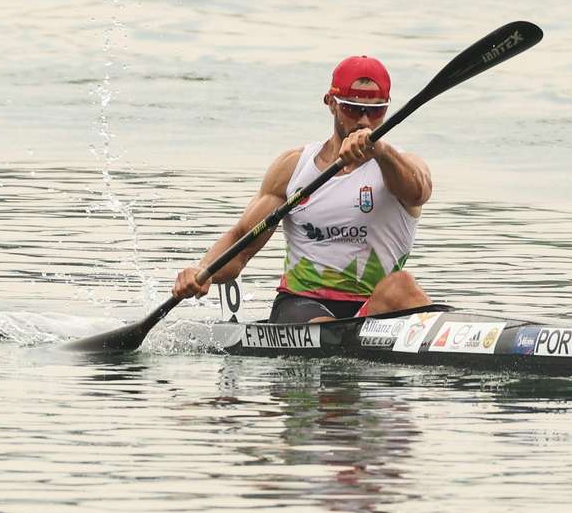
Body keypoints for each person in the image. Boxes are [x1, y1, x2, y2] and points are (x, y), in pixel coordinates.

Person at [172, 55, 433, 323]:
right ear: (331, 103)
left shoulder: (401, 165)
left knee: (402, 285)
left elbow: (419, 192)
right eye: (353, 109)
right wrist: (203, 272)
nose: (365, 121)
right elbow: (241, 243)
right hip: (303, 305)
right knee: (326, 329)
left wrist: (381, 150)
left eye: (376, 110)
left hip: (371, 309)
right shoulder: (293, 169)